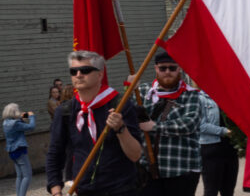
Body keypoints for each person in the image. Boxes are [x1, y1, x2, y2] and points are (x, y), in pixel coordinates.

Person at [46, 50, 142, 196]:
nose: (78, 75)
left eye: (85, 70)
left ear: (100, 74)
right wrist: (56, 190)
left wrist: (121, 129)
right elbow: (55, 153)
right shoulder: (65, 111)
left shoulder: (120, 104)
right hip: (84, 190)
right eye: (73, 71)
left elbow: (135, 155)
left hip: (122, 189)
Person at [137, 50, 202, 196]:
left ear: (179, 68)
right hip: (148, 170)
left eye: (172, 68)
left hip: (180, 169)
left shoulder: (191, 94)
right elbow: (127, 115)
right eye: (163, 68)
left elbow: (189, 123)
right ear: (156, 69)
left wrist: (154, 126)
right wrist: (130, 88)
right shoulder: (142, 92)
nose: (167, 72)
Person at [198, 90, 238, 196]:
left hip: (231, 148)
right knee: (211, 190)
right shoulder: (200, 98)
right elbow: (200, 125)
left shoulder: (228, 95)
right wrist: (224, 131)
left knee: (228, 191)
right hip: (211, 149)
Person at [3, 103, 35, 196]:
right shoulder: (15, 123)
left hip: (11, 151)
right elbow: (31, 127)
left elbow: (19, 121)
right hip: (19, 150)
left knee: (20, 175)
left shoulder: (6, 122)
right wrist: (32, 116)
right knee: (27, 175)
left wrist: (24, 116)